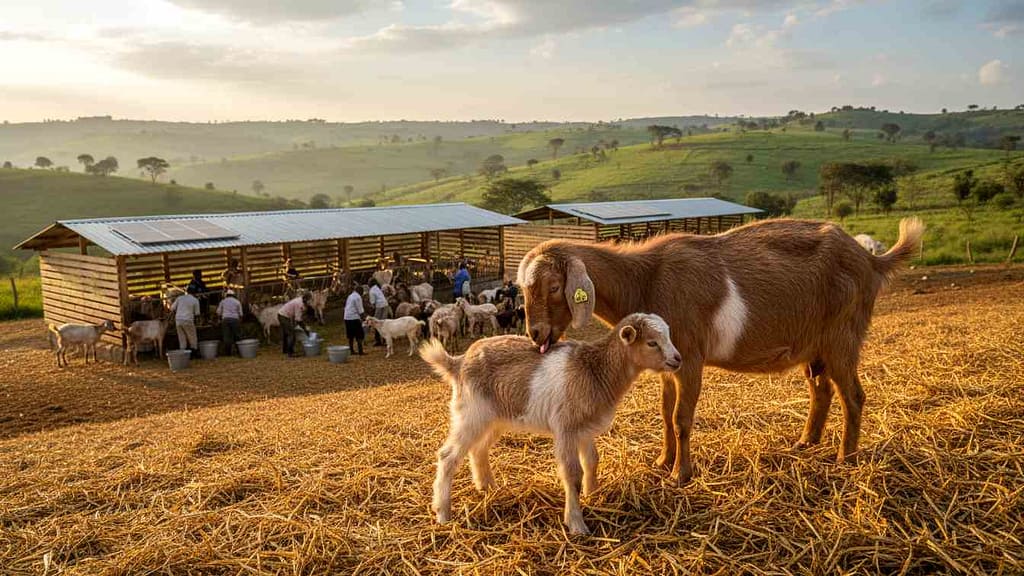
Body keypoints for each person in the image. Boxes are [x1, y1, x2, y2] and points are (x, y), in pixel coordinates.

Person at [278, 292, 311, 357]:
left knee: (286, 333)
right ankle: (290, 353)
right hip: (283, 316)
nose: (309, 302)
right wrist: (305, 329)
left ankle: (285, 350)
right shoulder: (299, 304)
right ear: (305, 299)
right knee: (292, 334)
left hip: (282, 314)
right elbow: (298, 320)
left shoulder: (300, 300)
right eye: (309, 300)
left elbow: (297, 317)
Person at [169, 286, 200, 353]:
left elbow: (172, 308)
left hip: (178, 320)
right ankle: (194, 351)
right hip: (188, 320)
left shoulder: (180, 298)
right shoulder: (195, 300)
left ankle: (183, 352)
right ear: (194, 292)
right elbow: (197, 313)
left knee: (182, 337)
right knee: (192, 336)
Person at [216, 289, 243, 356]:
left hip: (225, 319)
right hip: (235, 319)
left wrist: (220, 317)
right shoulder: (237, 302)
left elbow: (218, 312)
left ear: (227, 295)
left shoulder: (223, 301)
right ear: (233, 295)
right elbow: (241, 314)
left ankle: (228, 353)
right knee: (237, 335)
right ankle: (240, 351)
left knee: (227, 336)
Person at [344, 285, 366, 355]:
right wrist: (365, 320)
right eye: (362, 292)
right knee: (359, 334)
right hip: (354, 318)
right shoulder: (358, 297)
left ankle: (352, 350)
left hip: (347, 317)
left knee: (350, 335)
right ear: (360, 291)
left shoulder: (350, 296)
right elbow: (360, 311)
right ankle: (360, 351)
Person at [368, 279, 388, 346]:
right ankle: (385, 340)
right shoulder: (377, 288)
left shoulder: (371, 291)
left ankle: (378, 340)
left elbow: (372, 303)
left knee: (376, 323)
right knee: (383, 323)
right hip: (385, 305)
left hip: (379, 306)